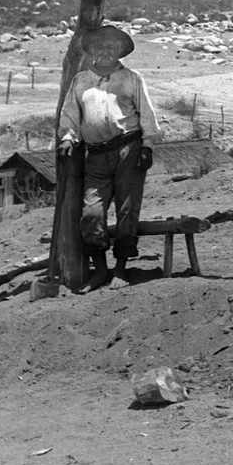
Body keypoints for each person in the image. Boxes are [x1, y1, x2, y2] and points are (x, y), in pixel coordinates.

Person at [58, 25, 162, 292]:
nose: (106, 51)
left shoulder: (131, 78)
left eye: (112, 47)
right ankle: (100, 270)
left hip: (128, 149)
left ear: (119, 52)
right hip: (95, 155)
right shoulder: (81, 81)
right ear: (92, 51)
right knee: (92, 212)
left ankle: (120, 269)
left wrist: (147, 145)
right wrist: (68, 137)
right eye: (101, 47)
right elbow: (70, 114)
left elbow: (147, 113)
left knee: (127, 210)